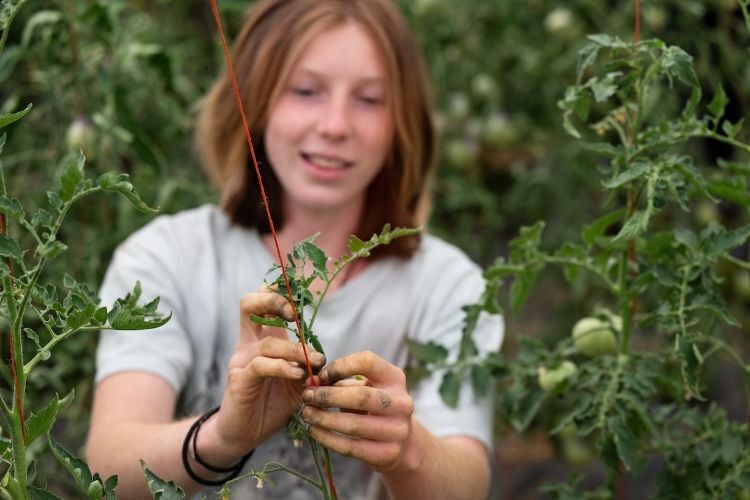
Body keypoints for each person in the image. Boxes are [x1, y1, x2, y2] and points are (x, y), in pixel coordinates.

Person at [85, 0, 503, 498]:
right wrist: (222, 436)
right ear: (256, 102)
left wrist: (407, 448)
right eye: (306, 91)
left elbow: (469, 484)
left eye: (369, 99)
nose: (334, 125)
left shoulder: (450, 285)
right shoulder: (164, 257)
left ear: (402, 126)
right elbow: (107, 467)